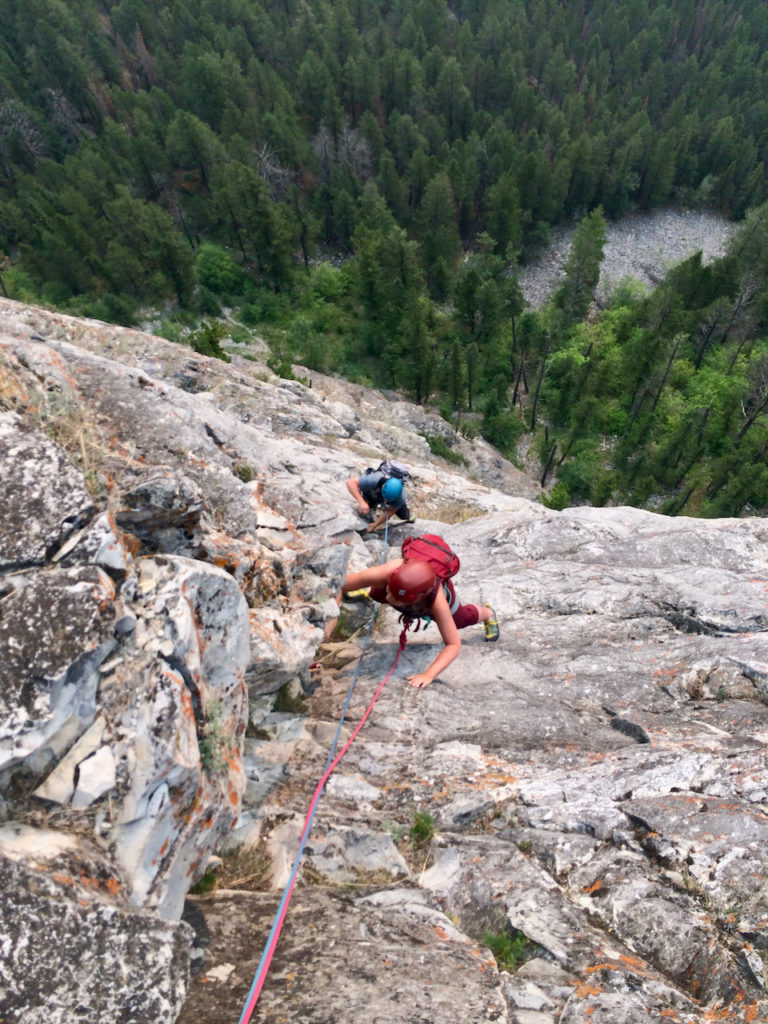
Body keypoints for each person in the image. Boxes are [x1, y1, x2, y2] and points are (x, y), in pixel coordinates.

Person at [339, 558, 499, 688]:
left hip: (431, 601)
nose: (389, 599)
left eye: (396, 598)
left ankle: (488, 613)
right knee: (375, 592)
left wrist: (429, 674)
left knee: (461, 619)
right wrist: (333, 615)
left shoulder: (438, 602)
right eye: (390, 591)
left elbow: (453, 644)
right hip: (413, 596)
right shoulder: (387, 573)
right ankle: (373, 591)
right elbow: (340, 585)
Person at [345, 467, 414, 532]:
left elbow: (389, 512)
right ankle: (371, 504)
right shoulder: (374, 480)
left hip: (390, 497)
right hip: (375, 491)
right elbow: (350, 483)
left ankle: (409, 515)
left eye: (387, 501)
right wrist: (362, 502)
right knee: (366, 506)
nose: (385, 502)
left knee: (403, 514)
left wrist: (375, 525)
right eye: (385, 499)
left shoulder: (401, 497)